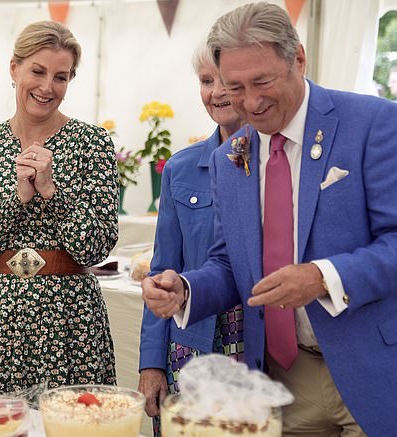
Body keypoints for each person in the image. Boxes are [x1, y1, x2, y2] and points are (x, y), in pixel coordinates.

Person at [142, 3, 397, 437]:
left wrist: (322, 277)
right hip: (285, 382)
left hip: (383, 373)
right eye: (235, 87)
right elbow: (231, 265)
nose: (250, 102)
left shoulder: (373, 122)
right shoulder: (226, 159)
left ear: (299, 59)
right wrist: (185, 290)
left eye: (262, 81)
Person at [0, 21, 118, 395]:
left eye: (61, 77)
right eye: (37, 72)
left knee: (75, 423)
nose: (47, 87)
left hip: (69, 318)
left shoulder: (93, 142)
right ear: (14, 68)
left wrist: (50, 192)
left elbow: (97, 246)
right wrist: (17, 199)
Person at [137, 42, 246, 437]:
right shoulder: (180, 168)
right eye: (206, 80)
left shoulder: (278, 162)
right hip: (190, 344)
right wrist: (151, 364)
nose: (217, 91)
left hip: (256, 346)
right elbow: (162, 269)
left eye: (226, 80)